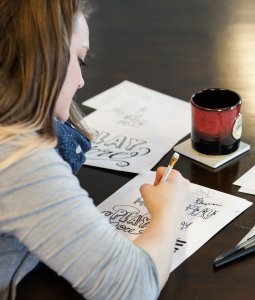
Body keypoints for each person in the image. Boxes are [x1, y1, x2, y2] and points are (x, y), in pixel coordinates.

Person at [0, 1, 190, 299]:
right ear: (44, 57)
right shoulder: (18, 158)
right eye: (79, 59)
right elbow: (135, 287)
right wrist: (170, 209)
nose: (81, 81)